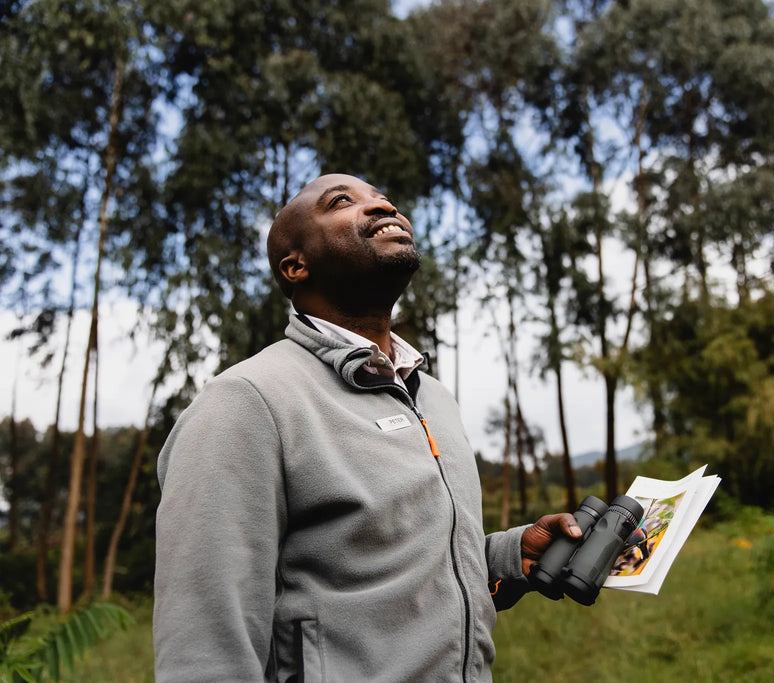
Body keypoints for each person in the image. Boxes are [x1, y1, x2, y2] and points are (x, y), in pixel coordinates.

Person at [153, 173, 581, 682]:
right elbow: (204, 649)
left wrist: (511, 557)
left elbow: (399, 570)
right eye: (342, 202)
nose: (383, 208)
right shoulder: (246, 403)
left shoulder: (434, 397)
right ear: (295, 265)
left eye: (384, 199)